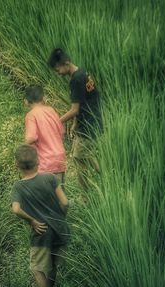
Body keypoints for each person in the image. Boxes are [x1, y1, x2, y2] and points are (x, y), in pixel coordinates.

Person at [11, 144, 69, 287]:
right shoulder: (50, 177)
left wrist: (32, 221)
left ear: (16, 164)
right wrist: (60, 218)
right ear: (38, 161)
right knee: (53, 266)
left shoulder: (18, 187)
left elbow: (16, 209)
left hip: (41, 234)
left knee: (38, 269)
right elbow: (65, 202)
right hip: (60, 230)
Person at [48, 48, 102, 192]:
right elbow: (82, 102)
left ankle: (86, 197)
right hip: (92, 121)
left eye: (57, 69)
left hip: (89, 125)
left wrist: (55, 121)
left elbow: (74, 109)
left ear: (65, 63)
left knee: (78, 157)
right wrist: (74, 123)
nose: (57, 73)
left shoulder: (76, 80)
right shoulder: (83, 72)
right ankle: (106, 176)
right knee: (85, 154)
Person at [24, 85, 67, 186]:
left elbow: (31, 138)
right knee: (59, 195)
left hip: (45, 163)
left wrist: (23, 151)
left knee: (46, 197)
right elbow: (62, 131)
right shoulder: (51, 111)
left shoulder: (31, 115)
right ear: (43, 98)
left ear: (26, 101)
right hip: (60, 159)